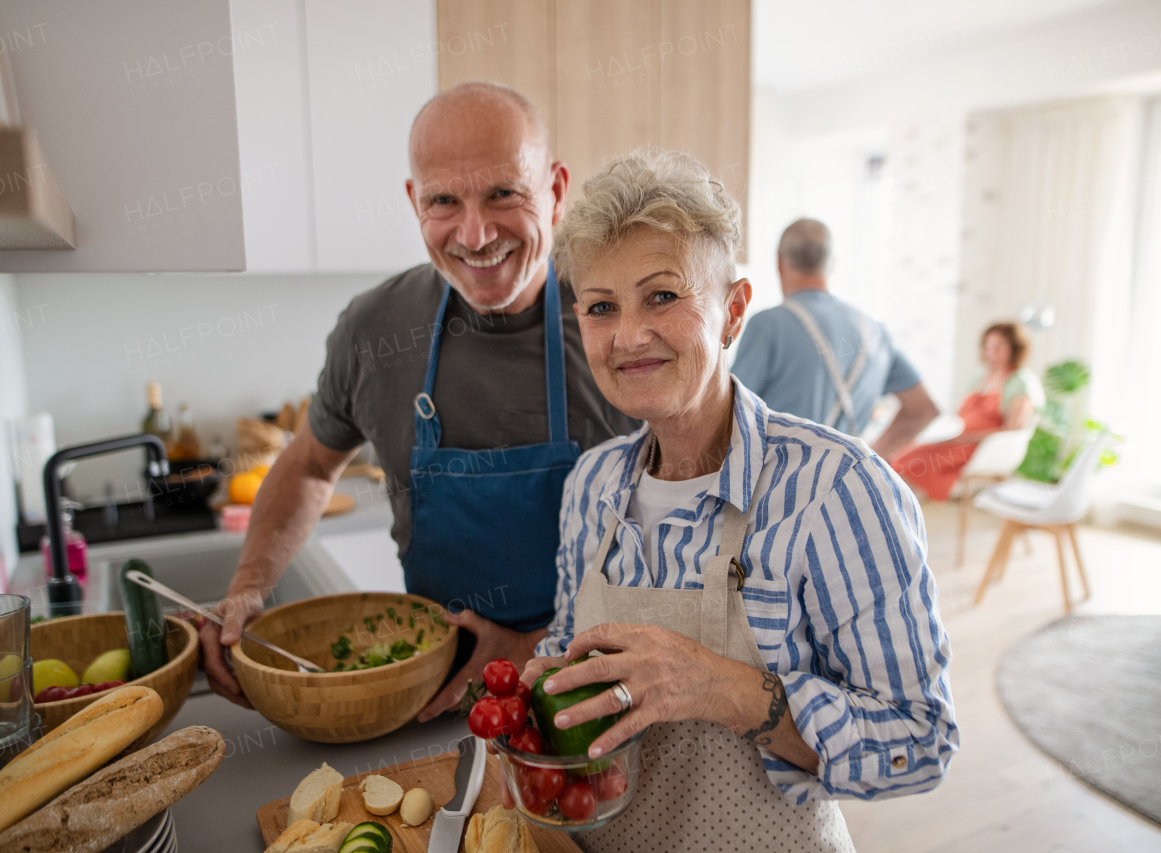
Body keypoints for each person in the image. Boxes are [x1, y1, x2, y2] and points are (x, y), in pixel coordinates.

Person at [511, 150, 957, 852]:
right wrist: (547, 684)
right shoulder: (591, 485)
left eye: (663, 296)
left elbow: (920, 740)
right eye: (601, 307)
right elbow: (573, 646)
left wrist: (721, 686)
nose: (629, 336)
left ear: (734, 311)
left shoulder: (839, 490)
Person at [200, 82, 638, 719]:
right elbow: (309, 466)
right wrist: (246, 588)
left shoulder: (619, 323)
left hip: (597, 700)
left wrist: (532, 648)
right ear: (414, 202)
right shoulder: (375, 329)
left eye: (503, 194)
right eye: (443, 200)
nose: (475, 232)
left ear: (556, 190)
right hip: (431, 703)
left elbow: (693, 543)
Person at [731, 218, 939, 460]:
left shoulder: (767, 325)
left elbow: (729, 416)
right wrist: (869, 458)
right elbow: (925, 408)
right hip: (846, 489)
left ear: (779, 262)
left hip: (780, 488)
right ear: (831, 264)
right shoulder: (874, 331)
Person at [890, 322, 1043, 501]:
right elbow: (959, 417)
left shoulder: (1021, 382)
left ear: (1015, 348)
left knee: (916, 462)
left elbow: (1013, 429)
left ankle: (904, 506)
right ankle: (899, 504)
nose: (992, 353)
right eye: (988, 347)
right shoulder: (981, 379)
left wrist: (963, 438)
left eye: (999, 347)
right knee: (902, 454)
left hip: (980, 447)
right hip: (953, 440)